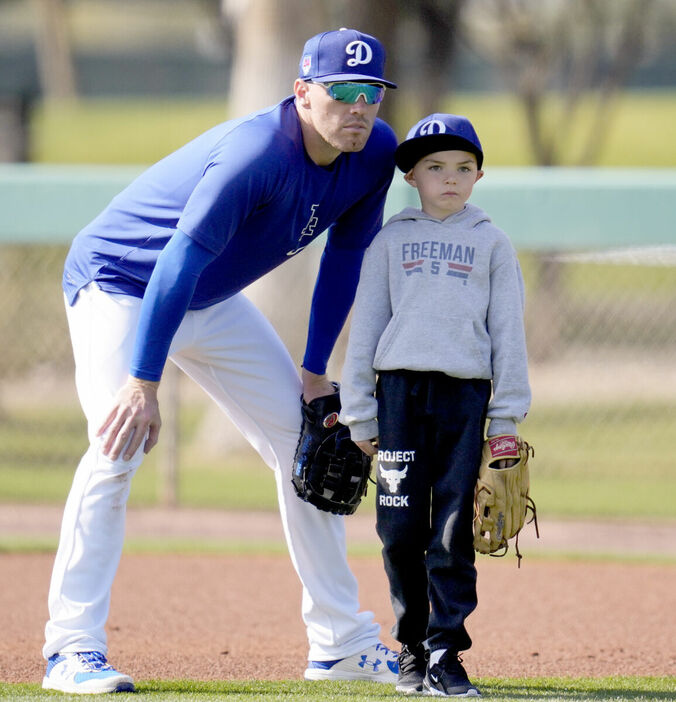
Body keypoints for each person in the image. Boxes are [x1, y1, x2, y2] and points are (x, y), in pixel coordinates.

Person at [42, 28, 402, 695]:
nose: (358, 108)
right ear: (302, 93)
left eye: (371, 94)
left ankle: (342, 642)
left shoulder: (376, 152)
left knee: (310, 447)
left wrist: (315, 371)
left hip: (210, 295)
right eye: (343, 92)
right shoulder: (256, 154)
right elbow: (175, 261)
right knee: (116, 446)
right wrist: (143, 382)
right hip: (122, 283)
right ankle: (70, 649)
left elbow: (346, 258)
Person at [339, 113, 531, 697]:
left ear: (478, 175)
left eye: (463, 168)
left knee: (451, 529)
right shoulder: (391, 240)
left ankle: (446, 650)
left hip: (464, 398)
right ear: (412, 177)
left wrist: (506, 419)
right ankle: (410, 649)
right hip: (397, 396)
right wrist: (358, 411)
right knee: (398, 528)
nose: (450, 178)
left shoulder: (492, 242)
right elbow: (366, 327)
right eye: (435, 168)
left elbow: (508, 334)